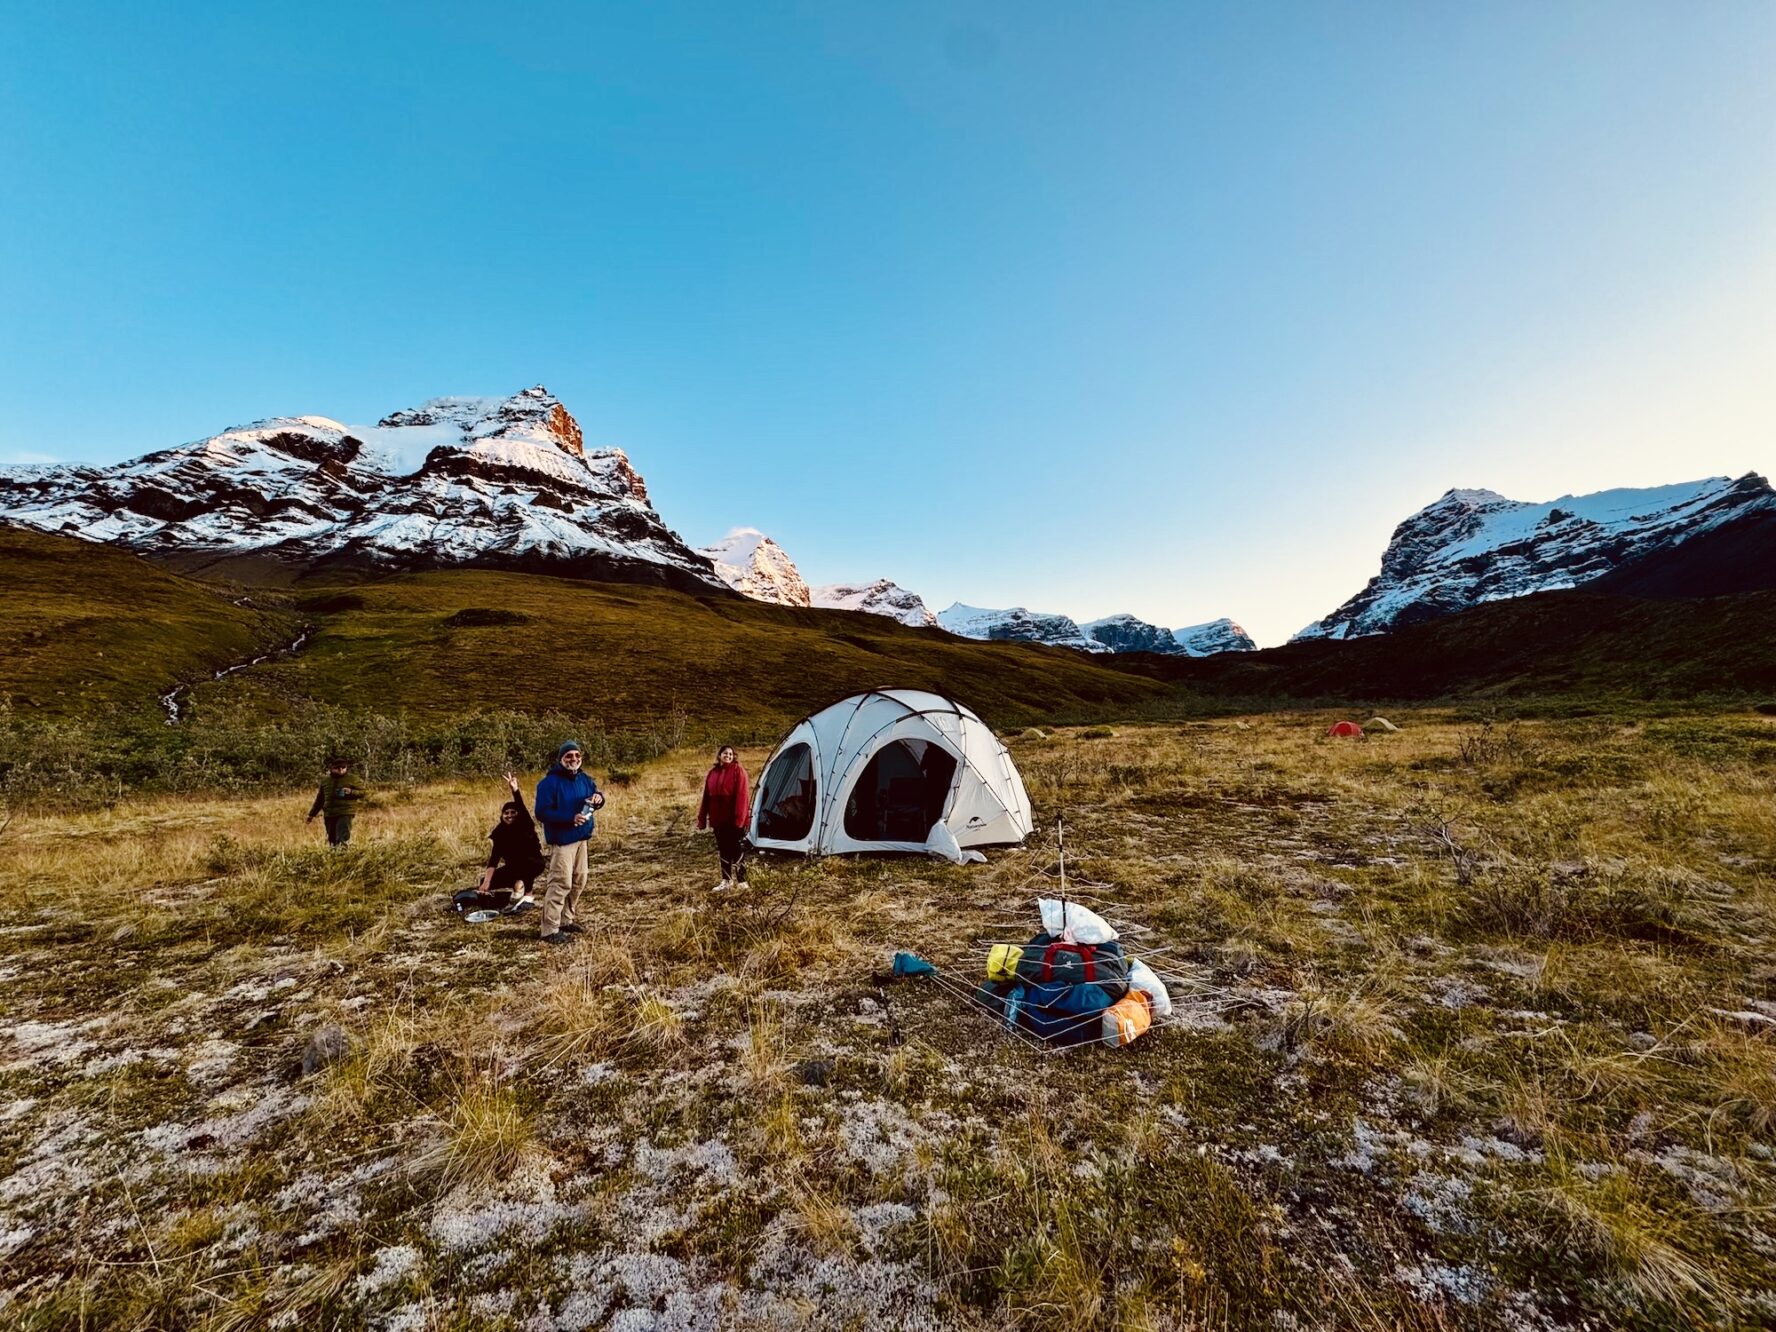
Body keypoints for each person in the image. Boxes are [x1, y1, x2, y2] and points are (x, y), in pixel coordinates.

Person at [533, 740, 604, 946]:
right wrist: (569, 817)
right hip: (563, 841)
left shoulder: (584, 779)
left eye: (576, 755)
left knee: (579, 880)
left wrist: (599, 798)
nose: (573, 759)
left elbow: (595, 795)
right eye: (569, 756)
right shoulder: (548, 783)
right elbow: (542, 812)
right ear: (561, 759)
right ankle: (549, 929)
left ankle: (566, 919)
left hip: (582, 838)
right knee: (560, 882)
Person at [479, 771, 545, 913]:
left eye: (513, 812)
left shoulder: (525, 825)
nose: (509, 815)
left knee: (526, 865)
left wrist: (515, 790)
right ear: (502, 816)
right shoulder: (499, 833)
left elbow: (521, 806)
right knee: (484, 882)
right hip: (514, 868)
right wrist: (486, 882)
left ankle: (528, 896)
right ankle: (513, 890)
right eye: (506, 813)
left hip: (534, 863)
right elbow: (494, 860)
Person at [697, 744, 751, 892]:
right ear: (719, 755)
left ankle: (742, 881)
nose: (728, 756)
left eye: (731, 754)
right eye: (725, 753)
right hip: (718, 819)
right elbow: (706, 798)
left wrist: (740, 819)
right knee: (723, 849)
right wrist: (702, 818)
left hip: (733, 819)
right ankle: (726, 880)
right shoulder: (712, 773)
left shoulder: (738, 771)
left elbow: (742, 796)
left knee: (736, 849)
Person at [306, 755, 366, 847]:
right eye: (337, 768)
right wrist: (312, 814)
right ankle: (334, 857)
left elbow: (363, 792)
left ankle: (343, 856)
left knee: (342, 838)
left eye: (343, 768)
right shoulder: (325, 781)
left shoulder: (353, 779)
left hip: (345, 811)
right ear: (331, 768)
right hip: (329, 813)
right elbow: (320, 799)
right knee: (332, 840)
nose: (341, 770)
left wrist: (351, 792)